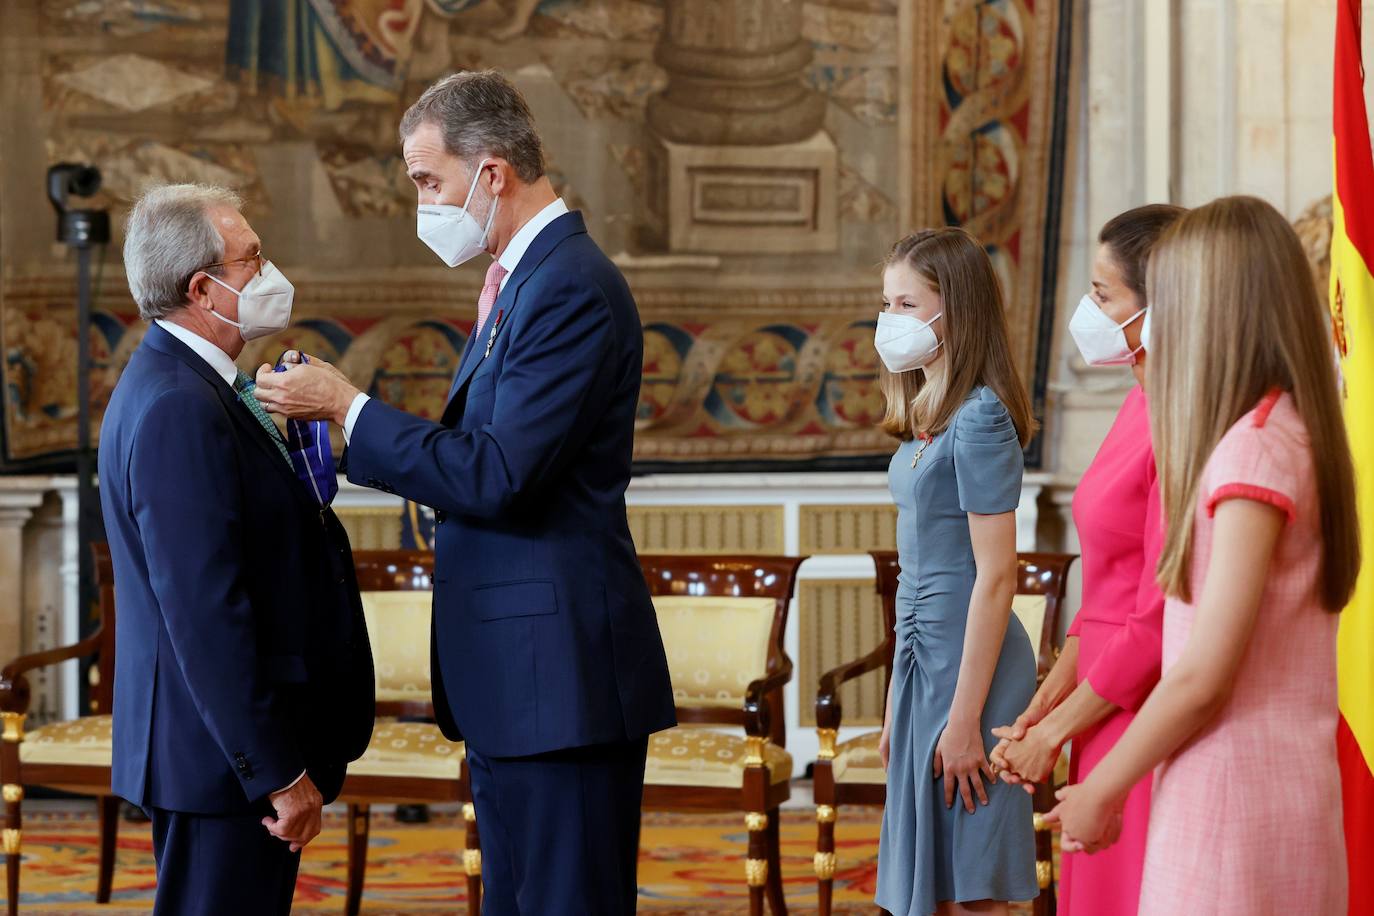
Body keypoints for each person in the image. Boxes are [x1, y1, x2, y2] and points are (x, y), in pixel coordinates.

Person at [251, 70, 676, 914]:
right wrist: (343, 425)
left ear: (491, 173)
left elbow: (497, 472)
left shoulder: (570, 287)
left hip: (561, 684)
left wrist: (349, 405)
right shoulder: (521, 281)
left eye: (426, 180)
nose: (421, 202)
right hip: (517, 682)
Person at [1046, 195, 1357, 915]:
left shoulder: (1251, 449)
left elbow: (1202, 676)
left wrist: (1104, 785)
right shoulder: (1288, 429)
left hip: (1229, 801)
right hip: (1287, 793)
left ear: (1214, 311)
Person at [98, 184, 375, 915]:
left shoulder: (199, 386)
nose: (270, 272)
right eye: (252, 259)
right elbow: (205, 612)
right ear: (201, 288)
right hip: (223, 765)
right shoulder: (179, 406)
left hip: (224, 757)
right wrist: (277, 774)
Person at [987, 204, 1184, 915]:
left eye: (1103, 296)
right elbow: (1103, 593)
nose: (1087, 310)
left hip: (1141, 705)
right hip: (1097, 696)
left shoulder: (1184, 419)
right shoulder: (1137, 399)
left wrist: (1056, 732)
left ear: (1160, 308)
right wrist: (1043, 710)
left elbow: (1156, 620)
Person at [872, 227, 1040, 916]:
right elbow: (915, 572)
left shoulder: (980, 420)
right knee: (931, 882)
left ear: (955, 308)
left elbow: (998, 575)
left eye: (907, 304)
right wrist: (896, 701)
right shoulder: (927, 416)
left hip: (976, 671)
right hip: (925, 660)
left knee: (973, 887)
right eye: (886, 303)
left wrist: (966, 718)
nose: (890, 320)